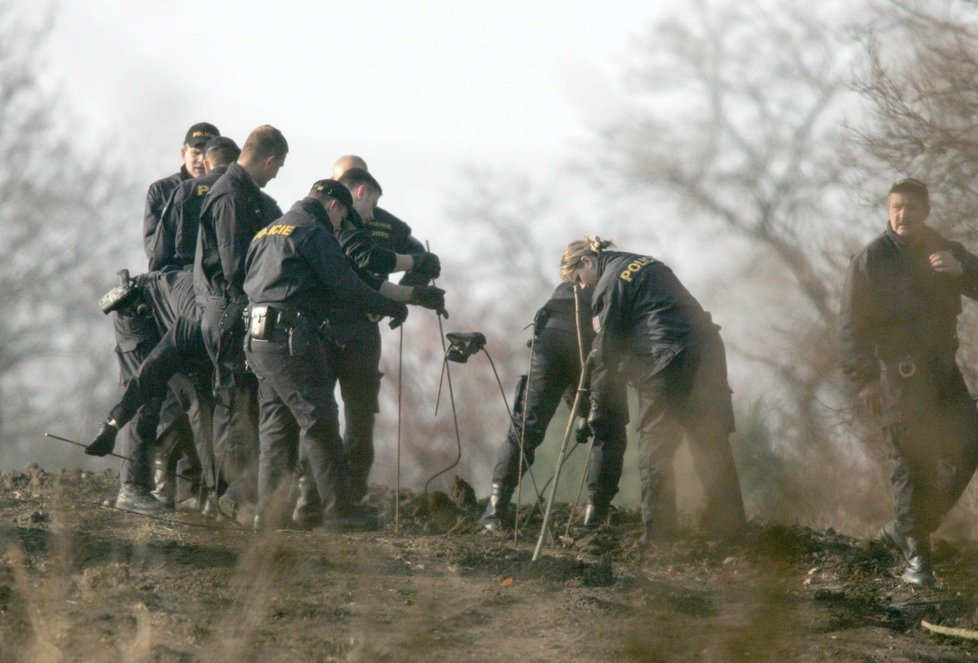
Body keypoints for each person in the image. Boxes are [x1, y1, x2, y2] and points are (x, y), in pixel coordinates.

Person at [242, 179, 411, 530]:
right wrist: (388, 305)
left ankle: (269, 517)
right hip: (291, 339)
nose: (340, 227)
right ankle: (340, 512)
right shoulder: (314, 233)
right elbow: (345, 285)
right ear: (334, 206)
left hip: (258, 339)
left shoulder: (267, 232)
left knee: (275, 428)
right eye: (342, 219)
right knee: (319, 420)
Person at [561, 236, 746, 542]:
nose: (582, 288)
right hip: (709, 350)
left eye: (578, 279)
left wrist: (597, 408)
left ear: (587, 262)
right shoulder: (646, 262)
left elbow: (606, 353)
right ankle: (731, 529)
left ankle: (660, 538)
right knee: (710, 440)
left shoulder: (608, 285)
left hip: (668, 360)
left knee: (654, 447)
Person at [840, 177, 978, 587]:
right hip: (898, 378)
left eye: (912, 207)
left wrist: (965, 271)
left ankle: (908, 525)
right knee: (911, 465)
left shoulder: (946, 251)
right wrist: (865, 379)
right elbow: (850, 325)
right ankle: (918, 556)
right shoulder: (870, 260)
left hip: (943, 372)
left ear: (926, 211)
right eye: (897, 207)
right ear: (888, 210)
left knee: (970, 443)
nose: (904, 215)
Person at [478, 281, 628, 531]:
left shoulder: (563, 289)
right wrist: (589, 414)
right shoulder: (609, 285)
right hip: (590, 345)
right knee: (609, 429)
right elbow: (578, 361)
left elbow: (566, 363)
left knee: (526, 426)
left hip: (548, 343)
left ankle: (494, 512)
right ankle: (595, 516)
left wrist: (581, 412)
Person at [194, 125, 286, 509]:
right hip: (229, 312)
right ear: (268, 160)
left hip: (238, 310)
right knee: (234, 405)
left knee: (244, 404)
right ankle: (229, 497)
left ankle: (237, 494)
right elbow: (234, 266)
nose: (275, 176)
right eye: (277, 168)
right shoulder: (231, 198)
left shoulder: (249, 197)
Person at [86, 269, 213, 514]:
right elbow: (147, 377)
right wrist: (114, 422)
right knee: (149, 400)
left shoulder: (218, 318)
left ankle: (198, 489)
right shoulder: (196, 325)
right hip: (137, 310)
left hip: (171, 319)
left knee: (195, 405)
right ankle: (132, 489)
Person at [150, 136, 241, 272]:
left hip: (188, 279)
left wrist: (155, 283)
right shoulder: (253, 194)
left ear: (207, 163)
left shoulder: (184, 191)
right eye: (196, 152)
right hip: (238, 283)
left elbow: (160, 251)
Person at [144, 122, 220, 263]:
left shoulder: (227, 190)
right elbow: (153, 249)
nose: (201, 160)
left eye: (207, 154)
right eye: (196, 153)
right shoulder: (161, 190)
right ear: (183, 153)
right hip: (175, 273)